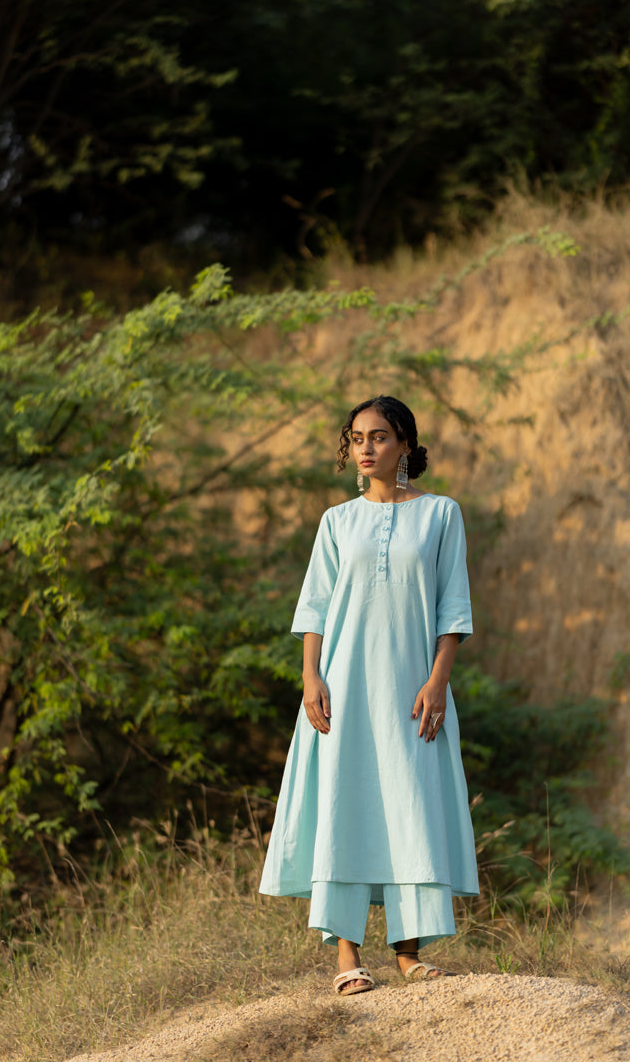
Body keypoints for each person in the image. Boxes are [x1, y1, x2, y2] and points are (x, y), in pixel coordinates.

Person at [259, 395, 479, 996]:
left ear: (405, 444)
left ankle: (409, 954)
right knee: (345, 802)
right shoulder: (337, 521)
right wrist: (311, 676)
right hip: (344, 688)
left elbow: (453, 607)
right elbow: (314, 608)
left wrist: (438, 680)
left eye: (379, 436)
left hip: (413, 686)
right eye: (357, 438)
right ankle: (346, 957)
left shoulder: (441, 514)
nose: (366, 447)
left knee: (412, 800)